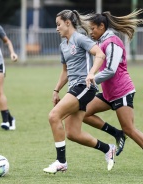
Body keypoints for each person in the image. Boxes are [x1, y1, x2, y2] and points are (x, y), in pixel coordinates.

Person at [83, 9, 143, 174]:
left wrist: (92, 78)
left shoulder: (112, 42)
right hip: (109, 93)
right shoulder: (101, 42)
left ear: (102, 26)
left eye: (93, 28)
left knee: (130, 128)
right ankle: (117, 133)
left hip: (122, 91)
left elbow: (111, 70)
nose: (91, 32)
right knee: (83, 111)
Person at [43, 10, 116, 174]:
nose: (57, 29)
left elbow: (100, 54)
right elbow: (65, 72)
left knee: (54, 116)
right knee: (73, 133)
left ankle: (61, 162)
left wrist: (91, 73)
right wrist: (56, 90)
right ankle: (108, 149)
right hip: (73, 89)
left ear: (68, 23)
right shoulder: (63, 45)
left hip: (85, 88)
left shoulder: (80, 38)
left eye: (58, 24)